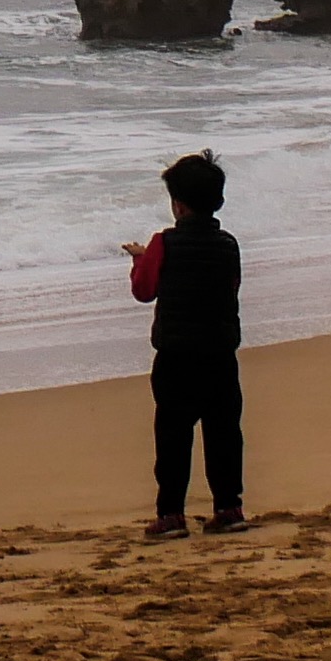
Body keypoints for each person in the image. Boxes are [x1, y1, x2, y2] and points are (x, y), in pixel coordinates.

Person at [121, 149, 245, 538]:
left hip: (176, 357)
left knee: (173, 436)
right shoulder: (228, 244)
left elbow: (145, 291)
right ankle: (229, 508)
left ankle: (171, 514)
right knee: (224, 434)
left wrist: (141, 260)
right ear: (218, 201)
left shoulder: (163, 243)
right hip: (221, 355)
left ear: (176, 204)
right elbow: (231, 289)